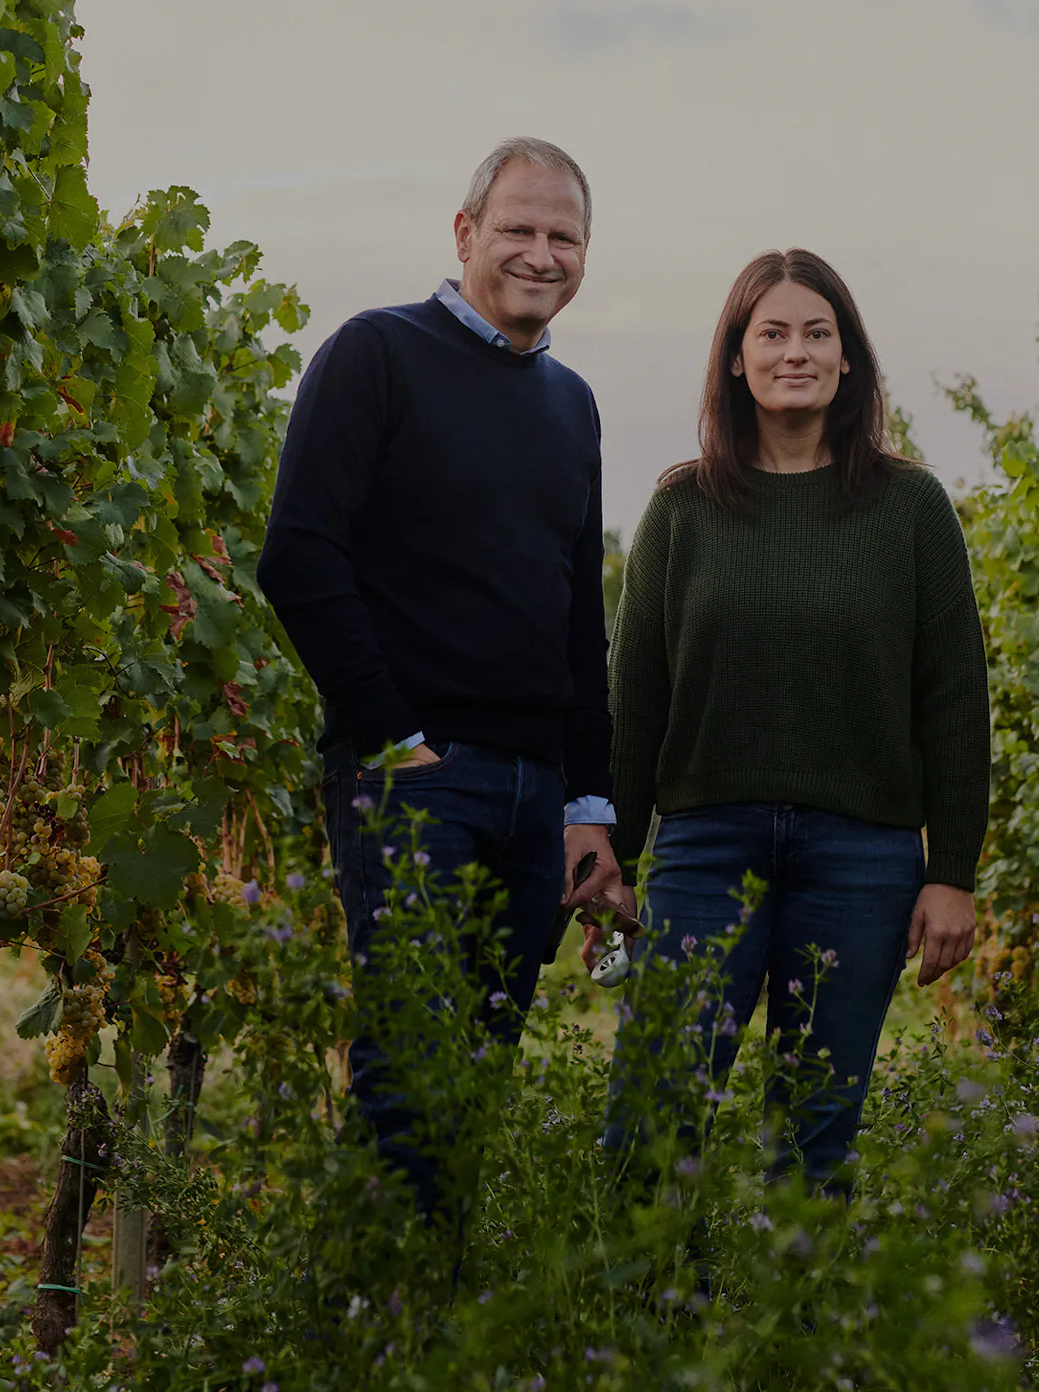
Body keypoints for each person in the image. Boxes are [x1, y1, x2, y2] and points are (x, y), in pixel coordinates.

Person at [258, 137, 632, 1219]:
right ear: (465, 234)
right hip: (417, 779)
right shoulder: (375, 354)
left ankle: (426, 1329)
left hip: (530, 799)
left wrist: (588, 802)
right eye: (517, 228)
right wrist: (389, 739)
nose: (541, 253)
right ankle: (370, 1338)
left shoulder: (573, 405)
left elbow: (575, 622)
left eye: (564, 236)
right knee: (408, 1081)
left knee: (475, 1077)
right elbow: (299, 556)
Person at [595, 248, 991, 1192]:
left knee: (815, 1136)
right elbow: (636, 695)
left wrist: (953, 874)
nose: (796, 352)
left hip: (861, 858)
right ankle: (646, 1330)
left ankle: (794, 1335)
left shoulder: (911, 510)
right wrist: (613, 851)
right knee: (653, 1121)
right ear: (736, 358)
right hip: (703, 850)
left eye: (819, 333)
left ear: (849, 359)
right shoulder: (682, 509)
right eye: (771, 333)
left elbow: (954, 701)